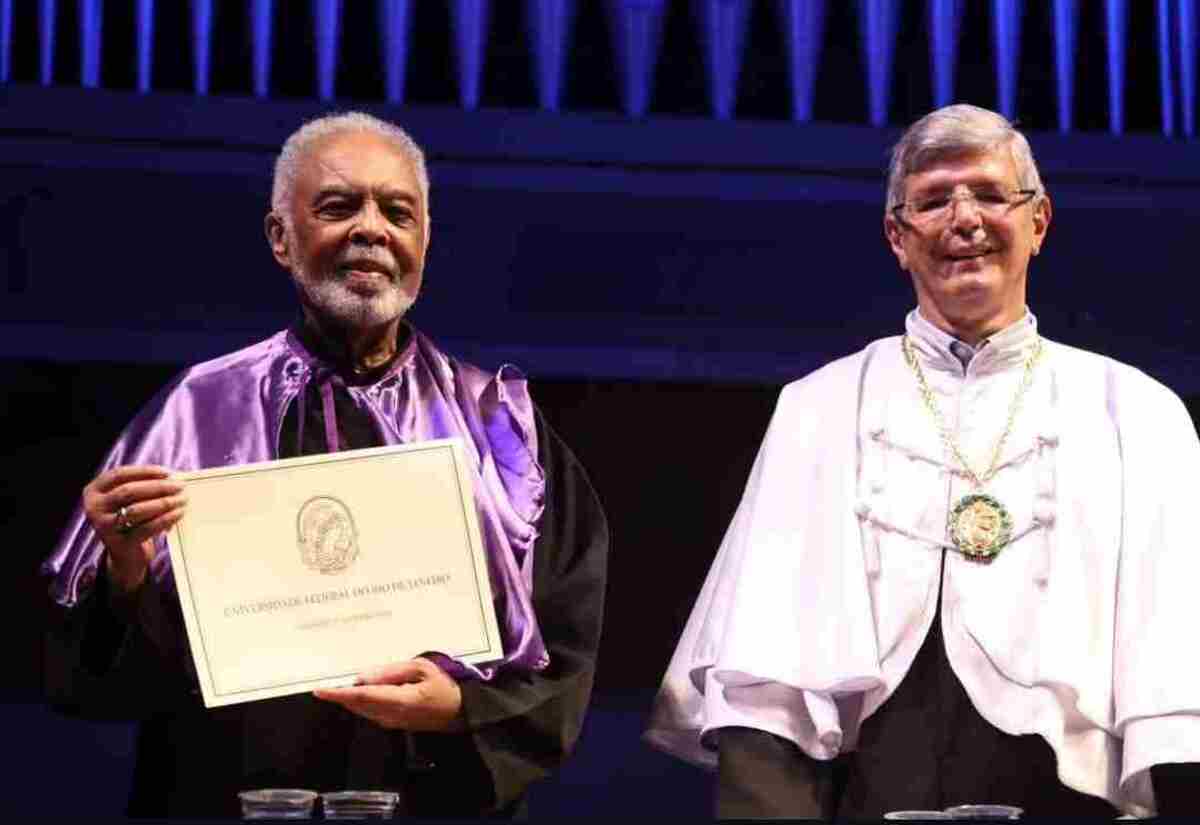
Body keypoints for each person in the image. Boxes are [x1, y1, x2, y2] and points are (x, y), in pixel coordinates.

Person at [42, 112, 608, 819]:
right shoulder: (194, 414)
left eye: (397, 211)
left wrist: (465, 704)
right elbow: (99, 678)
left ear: (424, 240)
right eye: (339, 206)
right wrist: (124, 569)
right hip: (224, 796)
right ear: (280, 237)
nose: (371, 228)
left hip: (432, 801)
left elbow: (566, 638)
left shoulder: (500, 427)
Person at [645, 104, 1200, 818]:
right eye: (934, 200)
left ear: (1040, 221)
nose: (964, 219)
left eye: (991, 195)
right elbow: (768, 708)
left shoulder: (1139, 413)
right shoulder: (818, 408)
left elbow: (1178, 703)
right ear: (897, 237)